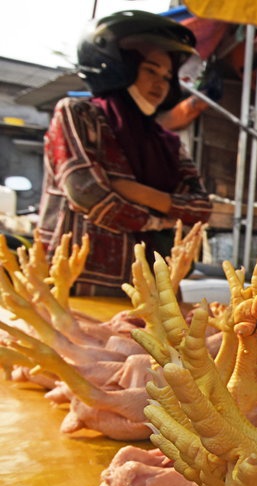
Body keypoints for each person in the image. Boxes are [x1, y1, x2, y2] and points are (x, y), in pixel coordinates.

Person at [38, 10, 212, 297]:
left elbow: (201, 208)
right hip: (81, 286)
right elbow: (88, 194)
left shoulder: (165, 141)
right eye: (150, 70)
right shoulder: (77, 114)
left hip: (154, 291)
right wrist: (162, 218)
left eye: (168, 76)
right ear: (120, 67)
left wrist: (134, 191)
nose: (161, 84)